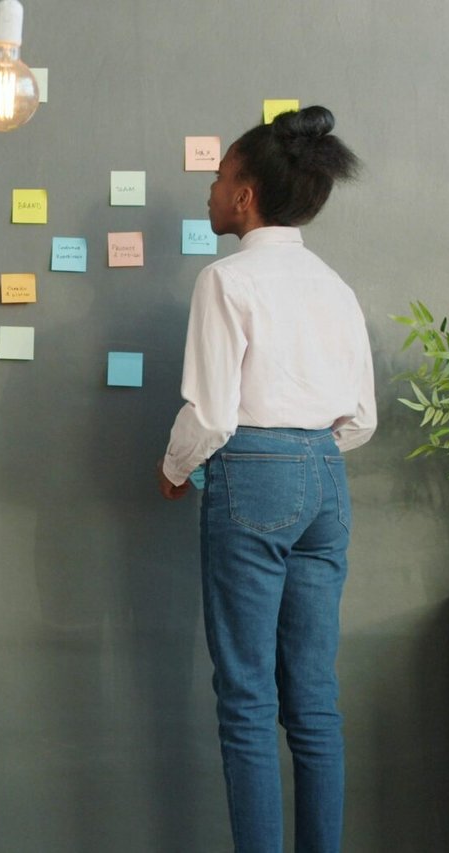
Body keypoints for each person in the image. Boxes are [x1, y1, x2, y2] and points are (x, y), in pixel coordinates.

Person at [156, 105, 374, 853]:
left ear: (245, 196)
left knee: (247, 699)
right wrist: (307, 456)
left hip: (252, 472)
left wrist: (174, 467)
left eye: (220, 180)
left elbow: (211, 414)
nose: (212, 194)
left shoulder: (226, 279)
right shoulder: (334, 286)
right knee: (313, 700)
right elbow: (361, 419)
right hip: (325, 480)